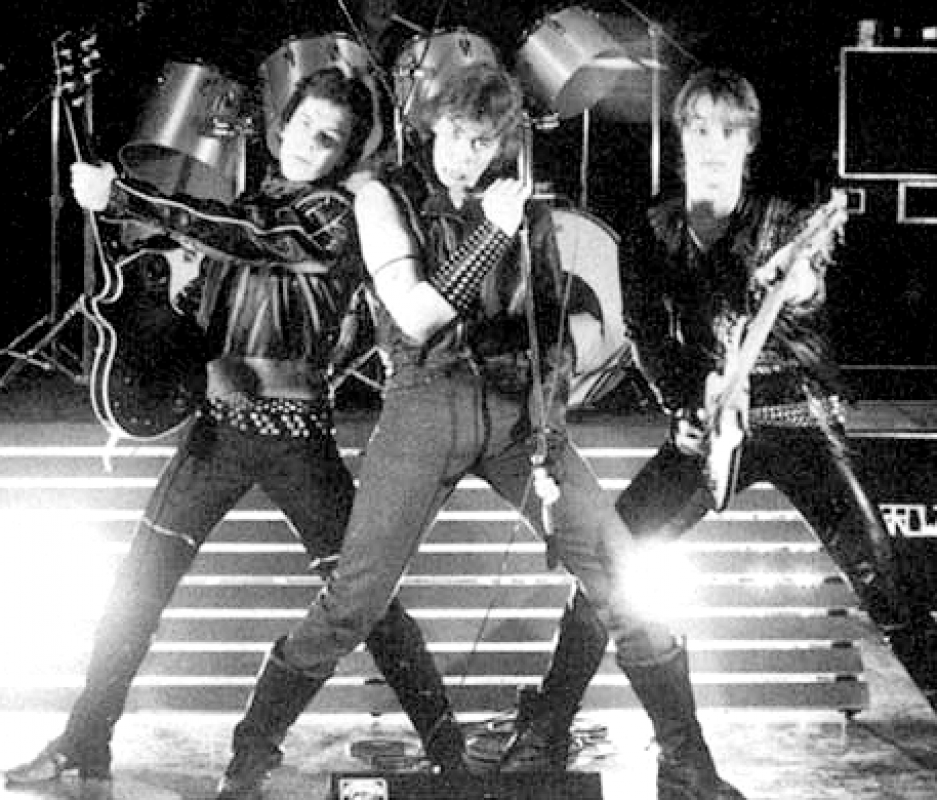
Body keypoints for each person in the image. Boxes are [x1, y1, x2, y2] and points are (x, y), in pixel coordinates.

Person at [215, 61, 746, 800]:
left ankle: (688, 762)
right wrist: (492, 235)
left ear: (501, 145)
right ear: (432, 127)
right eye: (454, 135)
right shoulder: (384, 197)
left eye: (479, 142)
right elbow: (414, 315)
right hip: (424, 402)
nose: (461, 155)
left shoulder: (524, 211)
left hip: (516, 414)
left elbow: (553, 332)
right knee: (354, 599)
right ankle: (252, 749)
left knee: (622, 575)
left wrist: (551, 427)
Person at [3, 67, 466, 793]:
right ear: (282, 126)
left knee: (367, 604)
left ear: (344, 153)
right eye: (304, 125)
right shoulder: (251, 204)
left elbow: (251, 238)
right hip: (214, 432)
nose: (310, 144)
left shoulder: (331, 216)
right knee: (136, 590)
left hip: (295, 442)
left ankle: (450, 753)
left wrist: (127, 196)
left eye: (329, 138)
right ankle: (84, 742)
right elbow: (215, 278)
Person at [494, 65, 937, 789]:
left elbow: (805, 286)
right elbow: (646, 333)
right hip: (706, 420)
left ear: (748, 143)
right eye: (699, 128)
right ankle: (550, 729)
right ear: (681, 138)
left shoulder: (787, 222)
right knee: (610, 560)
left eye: (728, 131)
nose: (712, 144)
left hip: (794, 414)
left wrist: (796, 282)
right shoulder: (651, 230)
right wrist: (681, 407)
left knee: (883, 580)